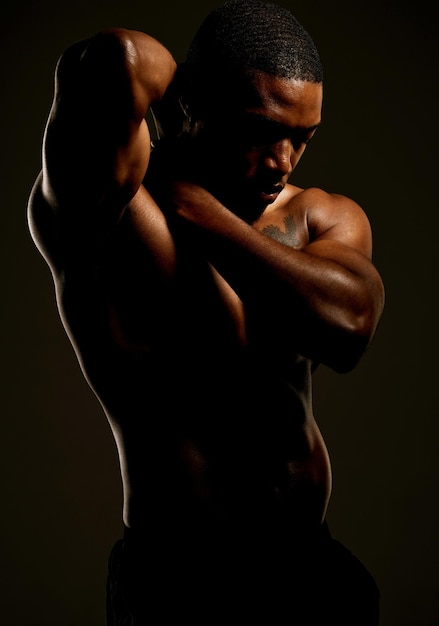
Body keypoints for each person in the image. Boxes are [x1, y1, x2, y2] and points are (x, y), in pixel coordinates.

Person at [27, 0, 385, 623]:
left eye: (302, 138)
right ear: (191, 98)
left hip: (309, 567)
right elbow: (120, 59)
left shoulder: (319, 216)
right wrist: (179, 122)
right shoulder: (116, 213)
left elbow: (350, 325)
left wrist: (200, 209)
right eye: (258, 130)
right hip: (180, 581)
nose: (281, 162)